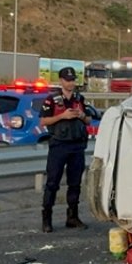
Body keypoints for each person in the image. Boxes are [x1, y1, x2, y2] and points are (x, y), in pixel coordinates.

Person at [40, 66, 91, 232]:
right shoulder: (52, 99)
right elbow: (44, 121)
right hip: (59, 145)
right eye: (67, 80)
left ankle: (73, 216)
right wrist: (63, 116)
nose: (71, 83)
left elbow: (89, 120)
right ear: (61, 81)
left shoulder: (79, 98)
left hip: (77, 145)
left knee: (75, 183)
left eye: (73, 80)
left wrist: (81, 115)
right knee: (52, 183)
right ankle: (47, 219)